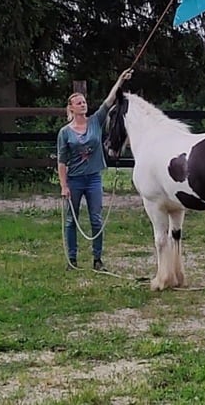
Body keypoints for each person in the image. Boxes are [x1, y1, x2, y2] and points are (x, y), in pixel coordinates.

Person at [57, 68, 133, 271]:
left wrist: (120, 80)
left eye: (84, 102)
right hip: (74, 179)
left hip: (93, 179)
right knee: (71, 221)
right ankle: (71, 260)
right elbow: (62, 161)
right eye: (79, 102)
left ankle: (97, 260)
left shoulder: (96, 121)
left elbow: (109, 100)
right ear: (71, 108)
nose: (83, 104)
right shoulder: (64, 133)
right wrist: (64, 186)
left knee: (96, 220)